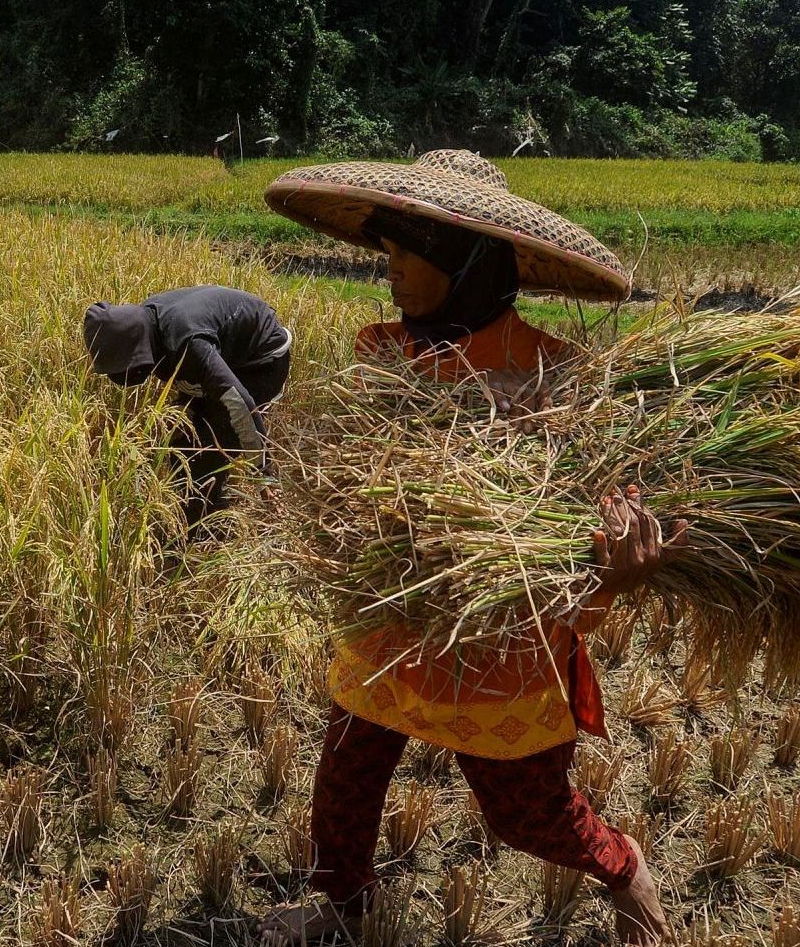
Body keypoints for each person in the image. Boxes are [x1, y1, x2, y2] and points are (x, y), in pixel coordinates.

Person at [257, 151, 687, 945]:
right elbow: (357, 493)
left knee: (528, 814)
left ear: (468, 261)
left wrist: (619, 577)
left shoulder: (556, 377)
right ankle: (342, 901)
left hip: (502, 638)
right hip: (391, 623)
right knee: (346, 777)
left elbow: (580, 538)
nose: (392, 272)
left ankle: (625, 865)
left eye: (409, 252)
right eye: (386, 252)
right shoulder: (382, 354)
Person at [82, 285, 291, 523]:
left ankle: (205, 531)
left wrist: (263, 475)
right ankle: (197, 509)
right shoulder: (149, 326)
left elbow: (241, 402)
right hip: (223, 354)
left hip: (260, 361)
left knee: (207, 452)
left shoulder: (187, 342)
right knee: (181, 443)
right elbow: (188, 377)